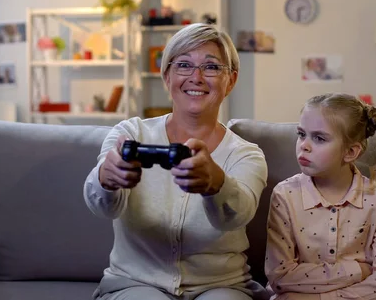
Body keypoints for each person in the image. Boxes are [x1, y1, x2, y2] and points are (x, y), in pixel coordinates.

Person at [83, 23, 270, 300]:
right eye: (184, 65)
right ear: (167, 77)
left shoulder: (246, 154)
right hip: (136, 282)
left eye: (211, 67)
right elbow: (101, 206)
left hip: (221, 286)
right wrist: (106, 179)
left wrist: (216, 184)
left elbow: (237, 215)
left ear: (230, 80)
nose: (196, 77)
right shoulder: (130, 133)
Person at [264, 93, 376, 300]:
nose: (304, 145)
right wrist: (358, 270)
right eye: (301, 134)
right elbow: (280, 275)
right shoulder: (285, 195)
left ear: (350, 152)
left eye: (319, 138)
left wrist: (318, 298)